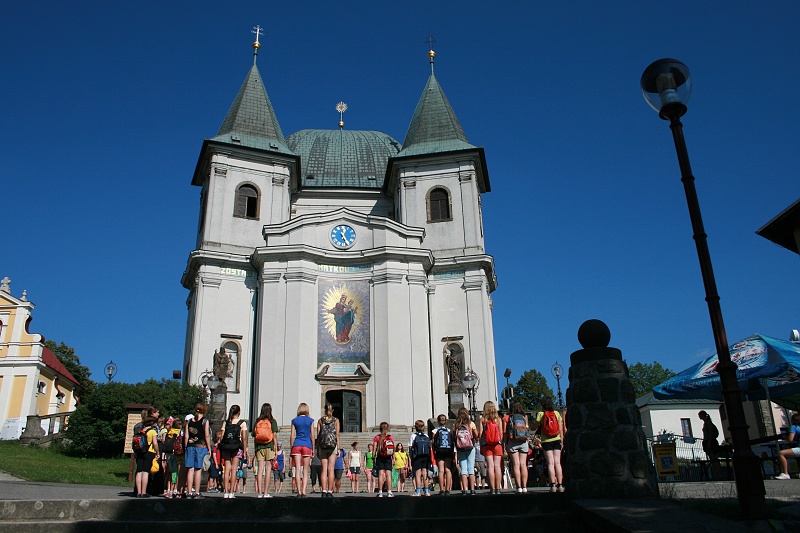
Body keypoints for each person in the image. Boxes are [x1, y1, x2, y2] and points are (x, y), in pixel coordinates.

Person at [532, 397, 563, 492]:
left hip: (546, 441)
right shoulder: (557, 413)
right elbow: (560, 429)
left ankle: (553, 484)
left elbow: (534, 427)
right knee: (557, 463)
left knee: (550, 463)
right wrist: (561, 441)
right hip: (556, 440)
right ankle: (560, 485)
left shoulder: (541, 414)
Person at [220, 404, 248, 499]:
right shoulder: (242, 423)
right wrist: (244, 449)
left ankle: (225, 491)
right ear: (239, 412)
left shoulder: (226, 423)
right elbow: (244, 438)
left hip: (226, 447)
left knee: (227, 469)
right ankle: (232, 492)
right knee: (234, 469)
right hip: (237, 447)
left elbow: (222, 436)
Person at [183, 403, 211, 499]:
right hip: (201, 446)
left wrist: (186, 446)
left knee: (190, 469)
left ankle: (189, 492)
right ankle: (197, 492)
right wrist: (209, 447)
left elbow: (186, 435)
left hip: (190, 446)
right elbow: (207, 435)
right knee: (198, 470)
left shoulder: (189, 421)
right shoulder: (204, 421)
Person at [253, 402, 278, 498]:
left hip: (259, 447)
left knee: (260, 470)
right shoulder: (272, 421)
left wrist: (255, 449)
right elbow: (274, 436)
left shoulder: (257, 421)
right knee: (268, 469)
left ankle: (259, 492)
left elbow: (255, 436)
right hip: (269, 446)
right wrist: (275, 448)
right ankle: (265, 492)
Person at [504, 401, 530, 493]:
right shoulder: (524, 417)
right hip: (523, 441)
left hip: (512, 441)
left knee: (516, 464)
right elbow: (527, 429)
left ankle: (518, 487)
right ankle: (524, 486)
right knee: (523, 464)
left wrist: (505, 444)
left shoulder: (508, 417)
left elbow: (505, 432)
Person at [478, 400, 503, 494]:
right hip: (497, 444)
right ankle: (498, 488)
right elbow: (501, 434)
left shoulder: (483, 420)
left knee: (490, 466)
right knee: (497, 466)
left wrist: (481, 446)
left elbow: (480, 434)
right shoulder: (498, 419)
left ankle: (492, 488)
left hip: (487, 445)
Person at [290, 402, 315, 497]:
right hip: (307, 445)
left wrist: (292, 447)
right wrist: (313, 448)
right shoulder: (310, 420)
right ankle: (304, 491)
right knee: (305, 470)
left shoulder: (294, 421)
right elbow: (312, 436)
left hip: (297, 444)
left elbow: (292, 436)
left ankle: (299, 491)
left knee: (297, 469)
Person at [316, 403, 339, 497]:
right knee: (331, 469)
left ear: (324, 410)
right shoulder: (336, 420)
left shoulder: (320, 421)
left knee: (324, 469)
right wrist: (338, 448)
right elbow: (337, 435)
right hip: (333, 446)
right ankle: (330, 491)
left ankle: (323, 490)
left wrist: (317, 448)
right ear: (332, 410)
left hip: (322, 446)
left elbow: (318, 436)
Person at [454, 407, 479, 495]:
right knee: (471, 468)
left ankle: (464, 489)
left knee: (463, 469)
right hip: (470, 447)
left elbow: (454, 436)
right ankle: (472, 489)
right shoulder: (471, 423)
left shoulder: (457, 424)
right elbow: (476, 435)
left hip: (460, 448)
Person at [134, 416, 159, 498]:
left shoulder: (140, 431)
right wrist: (157, 452)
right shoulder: (152, 431)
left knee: (139, 471)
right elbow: (155, 443)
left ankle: (138, 492)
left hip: (139, 452)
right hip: (149, 452)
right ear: (151, 423)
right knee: (145, 472)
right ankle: (144, 492)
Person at [409, 419, 431, 496]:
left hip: (417, 457)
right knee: (425, 473)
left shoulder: (413, 436)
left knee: (417, 475)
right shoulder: (426, 436)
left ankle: (418, 491)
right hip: (425, 456)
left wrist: (410, 460)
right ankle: (426, 490)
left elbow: (410, 448)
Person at [432, 414, 454, 495]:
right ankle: (447, 489)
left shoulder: (435, 431)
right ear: (445, 421)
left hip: (439, 452)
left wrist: (434, 450)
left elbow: (433, 442)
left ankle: (441, 489)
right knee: (448, 470)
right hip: (448, 451)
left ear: (438, 421)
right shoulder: (449, 430)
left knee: (441, 470)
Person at [698, 410, 722, 480]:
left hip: (710, 442)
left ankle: (719, 474)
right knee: (712, 459)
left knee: (714, 459)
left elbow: (711, 433)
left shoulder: (708, 423)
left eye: (699, 415)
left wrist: (709, 443)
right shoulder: (705, 423)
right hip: (706, 441)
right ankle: (717, 475)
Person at [373, 421, 395, 497]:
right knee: (388, 474)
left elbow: (374, 449)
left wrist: (373, 457)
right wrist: (393, 458)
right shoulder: (390, 437)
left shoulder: (377, 437)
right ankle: (389, 491)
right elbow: (393, 449)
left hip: (380, 457)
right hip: (388, 457)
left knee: (380, 474)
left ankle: (380, 492)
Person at [776, 413, 800, 480]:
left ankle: (785, 473)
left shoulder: (794, 427)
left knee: (781, 453)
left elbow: (790, 439)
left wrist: (785, 437)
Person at [162, 418, 181, 498]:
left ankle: (169, 489)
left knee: (170, 471)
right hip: (175, 453)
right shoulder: (179, 432)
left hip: (168, 453)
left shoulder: (170, 431)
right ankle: (174, 489)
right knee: (176, 472)